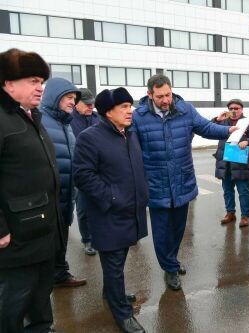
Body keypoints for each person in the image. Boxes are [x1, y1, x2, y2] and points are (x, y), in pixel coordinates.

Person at [132, 74, 237, 291]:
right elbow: (131, 150)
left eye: (168, 94)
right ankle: (169, 268)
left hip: (182, 179)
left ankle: (171, 260)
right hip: (156, 183)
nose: (165, 100)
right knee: (161, 230)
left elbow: (206, 129)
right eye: (160, 96)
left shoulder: (185, 110)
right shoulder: (138, 117)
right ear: (149, 94)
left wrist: (227, 131)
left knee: (179, 228)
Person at [73, 87, 148, 333]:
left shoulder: (128, 134)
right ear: (108, 112)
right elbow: (83, 176)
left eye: (130, 106)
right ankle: (122, 315)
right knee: (114, 265)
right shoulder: (90, 137)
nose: (130, 111)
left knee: (119, 260)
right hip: (109, 214)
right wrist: (112, 197)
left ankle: (111, 294)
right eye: (124, 107)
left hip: (130, 212)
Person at [0, 48, 64, 332]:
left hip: (40, 232)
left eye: (42, 82)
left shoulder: (28, 116)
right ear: (8, 82)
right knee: (12, 307)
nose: (41, 88)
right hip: (15, 242)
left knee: (40, 303)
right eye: (34, 80)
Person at [40, 78, 87, 288]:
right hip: (48, 199)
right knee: (46, 246)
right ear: (54, 97)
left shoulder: (66, 124)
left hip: (67, 195)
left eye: (74, 98)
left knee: (62, 239)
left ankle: (60, 274)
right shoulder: (40, 121)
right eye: (68, 98)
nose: (72, 102)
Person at [213, 99, 249, 227]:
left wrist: (248, 141)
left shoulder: (248, 122)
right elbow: (208, 129)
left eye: (236, 108)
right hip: (224, 163)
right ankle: (230, 213)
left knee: (243, 191)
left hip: (240, 163)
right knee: (227, 191)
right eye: (231, 108)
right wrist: (217, 119)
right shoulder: (222, 121)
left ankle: (245, 216)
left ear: (241, 109)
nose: (233, 110)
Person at [70, 87, 99, 256]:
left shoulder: (98, 118)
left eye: (92, 104)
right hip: (80, 171)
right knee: (82, 209)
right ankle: (87, 239)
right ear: (76, 104)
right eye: (87, 104)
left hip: (98, 171)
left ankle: (99, 235)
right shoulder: (69, 119)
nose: (90, 107)